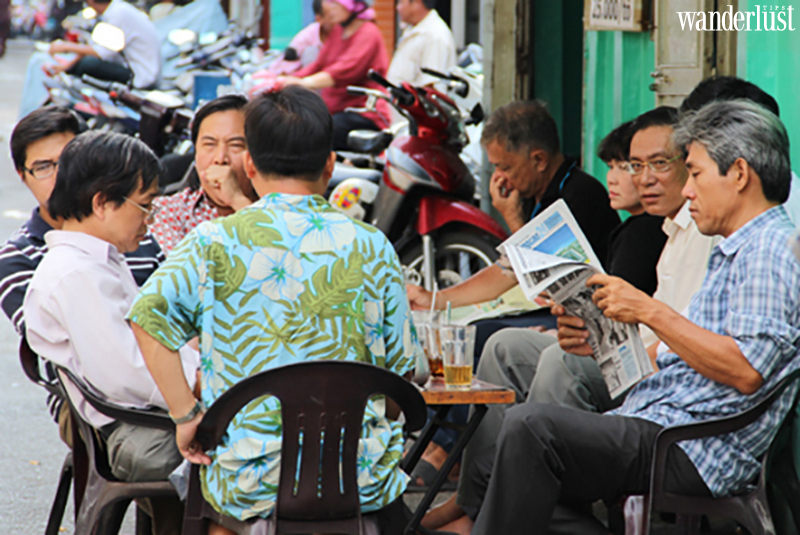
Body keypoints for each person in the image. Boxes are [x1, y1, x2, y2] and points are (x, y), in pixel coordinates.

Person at [468, 99, 800, 533]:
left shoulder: (769, 250)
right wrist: (603, 340)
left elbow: (747, 370)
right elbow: (695, 350)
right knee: (502, 462)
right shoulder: (736, 247)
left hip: (689, 445)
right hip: (660, 420)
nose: (687, 190)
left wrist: (648, 310)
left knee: (531, 428)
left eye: (695, 173)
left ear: (739, 174)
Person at [129, 86, 420, 534]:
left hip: (249, 480)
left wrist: (186, 417)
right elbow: (403, 375)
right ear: (330, 164)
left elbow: (147, 320)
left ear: (250, 165)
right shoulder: (373, 247)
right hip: (356, 479)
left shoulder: (214, 242)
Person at [24, 131, 200, 535]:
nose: (150, 218)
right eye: (146, 204)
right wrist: (199, 379)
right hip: (134, 431)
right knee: (252, 447)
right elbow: (129, 372)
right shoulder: (76, 274)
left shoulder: (98, 260)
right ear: (102, 202)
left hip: (139, 420)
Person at [407, 101, 621, 312]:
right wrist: (438, 299)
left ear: (539, 160)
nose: (499, 177)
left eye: (505, 167)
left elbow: (548, 279)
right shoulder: (530, 193)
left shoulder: (580, 195)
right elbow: (506, 271)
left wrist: (513, 219)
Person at [0, 107, 164, 335]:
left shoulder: (136, 232)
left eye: (68, 161)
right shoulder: (17, 259)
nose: (60, 177)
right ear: (23, 176)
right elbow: (49, 357)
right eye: (43, 167)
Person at [148, 94, 258, 254]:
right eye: (209, 144)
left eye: (235, 145)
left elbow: (282, 260)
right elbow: (182, 275)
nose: (220, 159)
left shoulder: (276, 208)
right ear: (196, 153)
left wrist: (238, 201)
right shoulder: (171, 211)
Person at [280, 0, 392, 151]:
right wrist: (289, 79)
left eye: (334, 3)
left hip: (362, 113)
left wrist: (306, 82)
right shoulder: (338, 31)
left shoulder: (369, 33)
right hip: (336, 110)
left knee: (321, 134)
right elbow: (319, 65)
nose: (328, 9)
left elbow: (345, 70)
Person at [45, 0, 160, 88]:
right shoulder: (115, 10)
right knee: (86, 62)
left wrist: (66, 46)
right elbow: (94, 46)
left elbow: (103, 52)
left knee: (87, 64)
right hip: (130, 67)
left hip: (139, 75)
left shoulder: (117, 13)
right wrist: (67, 66)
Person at [386, 0, 456, 87]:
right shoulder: (413, 28)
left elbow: (431, 88)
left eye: (401, 2)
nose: (397, 8)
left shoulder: (435, 35)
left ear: (416, 2)